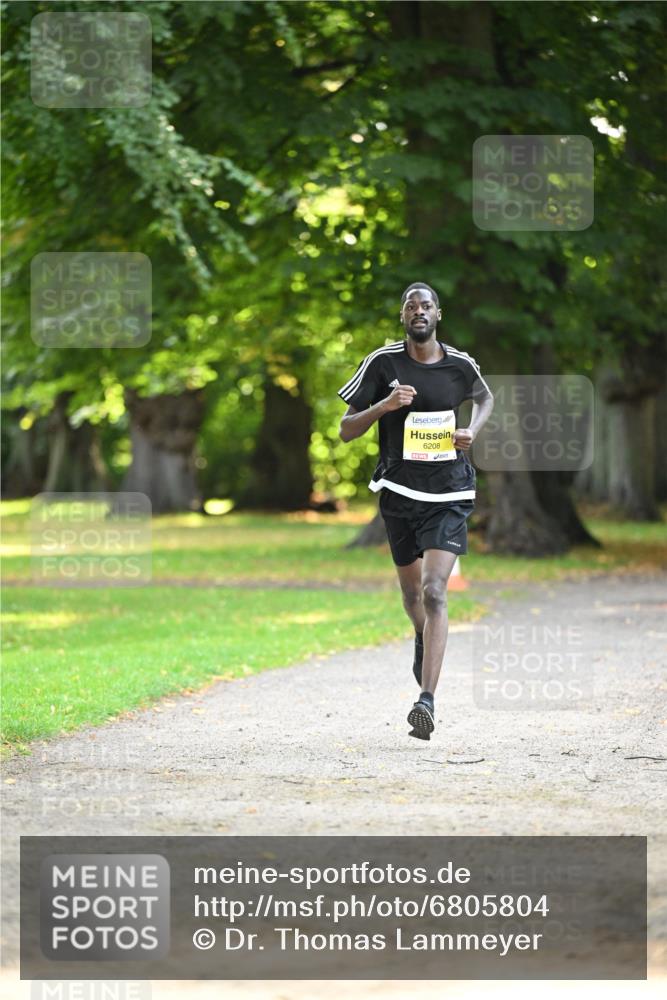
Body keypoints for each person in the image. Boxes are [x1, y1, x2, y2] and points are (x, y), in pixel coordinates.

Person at [338, 283, 494, 740]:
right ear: (403, 315)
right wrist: (385, 405)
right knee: (412, 598)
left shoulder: (459, 364)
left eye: (426, 305)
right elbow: (346, 430)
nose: (418, 311)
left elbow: (486, 398)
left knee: (435, 591)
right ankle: (423, 636)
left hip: (449, 492)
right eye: (411, 306)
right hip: (400, 493)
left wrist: (472, 430)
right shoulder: (382, 363)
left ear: (438, 314)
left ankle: (426, 700)